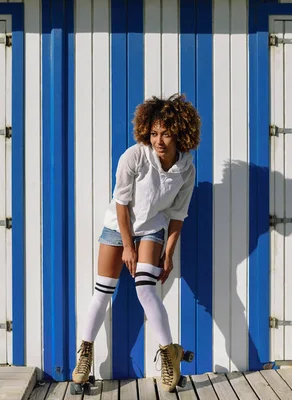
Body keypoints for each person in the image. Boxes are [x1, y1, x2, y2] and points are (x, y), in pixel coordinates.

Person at [71, 93, 201, 393]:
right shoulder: (134, 156)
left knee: (146, 290)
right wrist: (127, 246)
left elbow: (178, 216)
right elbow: (121, 202)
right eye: (154, 133)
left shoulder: (187, 169)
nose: (159, 140)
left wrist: (168, 255)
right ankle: (85, 356)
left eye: (166, 134)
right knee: (102, 292)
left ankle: (170, 358)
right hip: (119, 227)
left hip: (152, 228)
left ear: (180, 133)